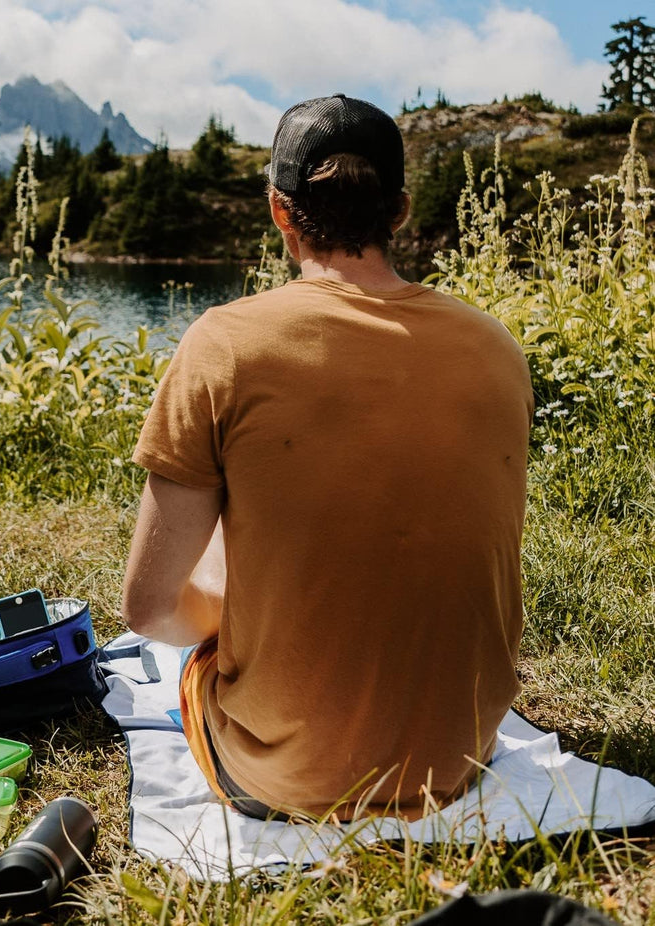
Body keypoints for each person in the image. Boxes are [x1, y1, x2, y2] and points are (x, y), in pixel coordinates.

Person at [121, 94, 533, 822]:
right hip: (460, 753)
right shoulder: (497, 349)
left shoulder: (225, 344)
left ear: (281, 212)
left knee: (215, 552)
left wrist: (227, 611)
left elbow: (149, 609)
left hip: (287, 778)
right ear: (399, 211)